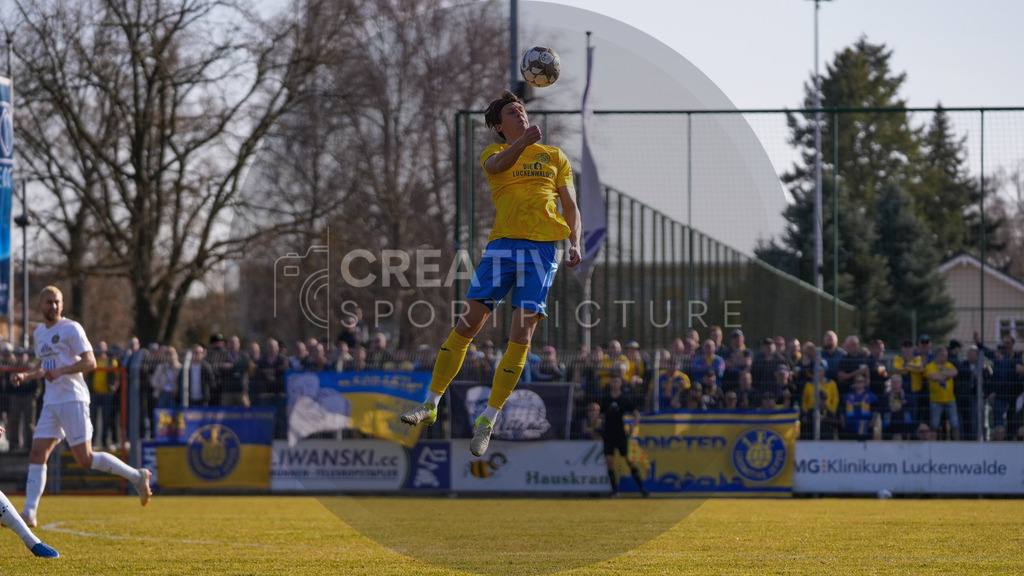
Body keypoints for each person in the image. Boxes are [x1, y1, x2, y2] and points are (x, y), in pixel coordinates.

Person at [401, 90, 582, 457]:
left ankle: (488, 419)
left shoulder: (555, 156)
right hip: (502, 247)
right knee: (467, 325)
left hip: (542, 251)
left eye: (522, 109)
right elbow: (497, 168)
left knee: (521, 335)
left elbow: (570, 205)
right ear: (500, 127)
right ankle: (431, 404)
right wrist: (524, 142)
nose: (521, 114)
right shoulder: (493, 154)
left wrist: (575, 242)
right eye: (513, 113)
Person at [10, 286, 151, 528]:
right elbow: (44, 366)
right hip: (52, 402)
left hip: (73, 399)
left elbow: (90, 361)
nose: (53, 306)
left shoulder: (71, 328)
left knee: (84, 458)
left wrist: (62, 370)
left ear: (62, 305)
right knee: (37, 453)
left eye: (57, 302)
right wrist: (26, 375)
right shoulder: (39, 334)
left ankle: (137, 476)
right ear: (40, 306)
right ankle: (29, 513)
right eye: (48, 302)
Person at [599, 375, 648, 497]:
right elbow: (600, 416)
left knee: (630, 461)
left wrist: (633, 425)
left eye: (616, 382)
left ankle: (642, 489)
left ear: (621, 384)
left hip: (621, 434)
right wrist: (597, 422)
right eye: (613, 381)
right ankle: (614, 491)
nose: (614, 384)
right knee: (609, 461)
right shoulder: (605, 399)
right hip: (608, 435)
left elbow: (636, 414)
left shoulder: (625, 399)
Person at [924, 346, 960, 440]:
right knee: (934, 424)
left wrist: (941, 375)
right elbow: (933, 377)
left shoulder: (948, 365)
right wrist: (946, 375)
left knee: (955, 424)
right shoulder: (930, 366)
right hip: (936, 400)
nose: (945, 358)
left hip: (950, 399)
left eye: (946, 355)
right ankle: (933, 443)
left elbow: (955, 372)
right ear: (937, 356)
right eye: (943, 355)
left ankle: (956, 443)